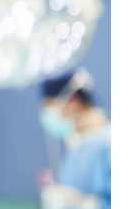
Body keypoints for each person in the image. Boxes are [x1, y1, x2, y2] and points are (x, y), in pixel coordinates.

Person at [39, 67, 110, 209]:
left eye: (50, 107)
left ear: (73, 102)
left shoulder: (108, 143)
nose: (47, 116)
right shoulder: (76, 146)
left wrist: (87, 205)